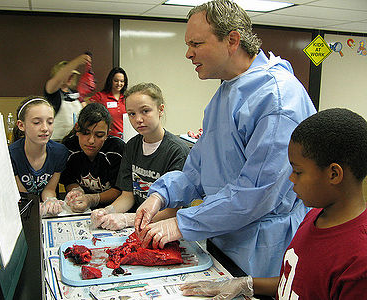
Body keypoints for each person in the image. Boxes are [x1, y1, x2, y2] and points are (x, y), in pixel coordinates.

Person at [135, 0, 316, 278]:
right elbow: (198, 170)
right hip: (224, 234)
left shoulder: (277, 99)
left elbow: (258, 193)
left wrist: (181, 223)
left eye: (196, 44)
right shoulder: (225, 93)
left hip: (263, 246)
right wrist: (161, 195)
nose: (188, 53)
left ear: (232, 40)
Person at [180, 108, 367, 299]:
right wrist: (246, 283)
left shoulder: (359, 262)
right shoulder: (314, 216)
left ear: (333, 174)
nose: (291, 178)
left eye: (298, 172)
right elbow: (296, 281)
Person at [91, 83, 190, 230]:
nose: (138, 119)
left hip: (164, 226)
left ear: (160, 110)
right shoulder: (131, 146)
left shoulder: (177, 151)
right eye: (132, 114)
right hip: (138, 224)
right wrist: (107, 211)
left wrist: (129, 219)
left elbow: (173, 210)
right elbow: (127, 196)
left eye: (145, 111)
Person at [9, 96, 69, 216]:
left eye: (50, 122)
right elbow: (23, 195)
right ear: (21, 125)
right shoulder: (11, 155)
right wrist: (35, 208)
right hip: (21, 210)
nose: (45, 128)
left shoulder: (60, 152)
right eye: (37, 122)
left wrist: (50, 201)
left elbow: (49, 189)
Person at [60, 102, 125, 212]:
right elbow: (69, 180)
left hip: (113, 207)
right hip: (80, 209)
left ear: (107, 134)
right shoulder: (69, 148)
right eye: (86, 133)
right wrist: (76, 192)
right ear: (77, 129)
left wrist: (93, 199)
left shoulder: (117, 150)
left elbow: (119, 189)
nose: (91, 141)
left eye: (99, 135)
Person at [44, 53, 91, 141]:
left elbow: (85, 112)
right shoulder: (52, 92)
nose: (71, 77)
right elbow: (57, 80)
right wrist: (77, 61)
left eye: (72, 75)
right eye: (68, 74)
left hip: (75, 140)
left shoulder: (75, 93)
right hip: (57, 140)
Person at [89, 67, 128, 139]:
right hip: (107, 139)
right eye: (116, 81)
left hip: (126, 137)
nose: (119, 84)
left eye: (122, 81)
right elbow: (87, 109)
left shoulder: (127, 98)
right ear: (110, 81)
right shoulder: (100, 97)